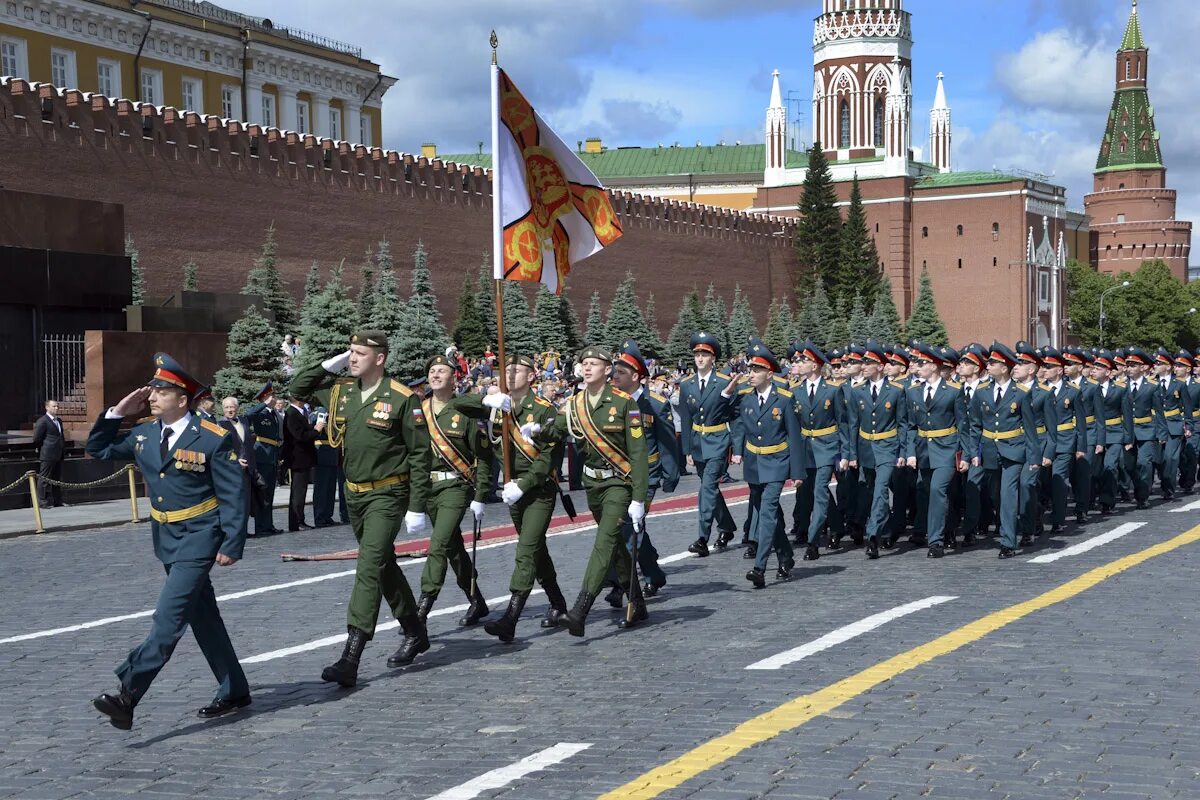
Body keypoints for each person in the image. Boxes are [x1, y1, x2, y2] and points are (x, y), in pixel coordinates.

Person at [85, 353, 249, 729]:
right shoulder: (143, 435)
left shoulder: (211, 437)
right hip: (166, 537)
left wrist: (232, 543)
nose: (153, 396)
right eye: (153, 389)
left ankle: (128, 694)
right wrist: (115, 413)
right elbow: (98, 450)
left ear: (183, 398)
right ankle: (234, 688)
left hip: (200, 535)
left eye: (163, 390)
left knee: (168, 617)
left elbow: (233, 493)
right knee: (202, 617)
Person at [289, 331, 433, 687]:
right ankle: (415, 629)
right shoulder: (343, 392)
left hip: (388, 495)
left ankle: (351, 656)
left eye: (359, 353)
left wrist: (416, 506)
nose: (352, 358)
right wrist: (329, 363)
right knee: (383, 565)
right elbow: (298, 389)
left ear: (380, 358)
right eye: (350, 353)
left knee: (368, 566)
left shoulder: (401, 398)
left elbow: (419, 454)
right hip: (354, 494)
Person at [534, 345, 649, 637]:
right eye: (584, 363)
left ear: (607, 370)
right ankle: (636, 601)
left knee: (604, 541)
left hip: (618, 484)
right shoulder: (574, 404)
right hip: (593, 485)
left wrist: (638, 497)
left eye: (594, 363)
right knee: (615, 546)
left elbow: (637, 454)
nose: (587, 367)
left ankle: (580, 610)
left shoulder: (624, 404)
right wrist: (532, 428)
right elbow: (555, 429)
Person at [480, 353, 569, 642]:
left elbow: (549, 457)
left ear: (531, 376)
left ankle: (511, 617)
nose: (509, 374)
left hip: (538, 490)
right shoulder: (499, 407)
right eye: (506, 370)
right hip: (512, 491)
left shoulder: (544, 409)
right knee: (536, 549)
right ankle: (557, 605)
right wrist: (485, 398)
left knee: (526, 548)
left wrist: (525, 483)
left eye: (516, 370)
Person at [411, 353, 505, 628]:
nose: (436, 375)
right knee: (452, 547)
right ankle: (476, 600)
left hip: (455, 484)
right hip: (427, 488)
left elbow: (484, 456)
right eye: (432, 371)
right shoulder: (419, 410)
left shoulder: (466, 410)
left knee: (438, 545)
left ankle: (420, 613)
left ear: (454, 378)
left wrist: (479, 496)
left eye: (442, 371)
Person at [602, 340, 680, 606]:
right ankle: (654, 573)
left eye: (620, 373)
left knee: (624, 530)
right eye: (614, 371)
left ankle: (619, 583)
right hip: (619, 475)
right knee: (634, 527)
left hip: (647, 475)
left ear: (636, 376)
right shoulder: (611, 402)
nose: (614, 376)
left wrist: (671, 475)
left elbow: (668, 442)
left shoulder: (655, 404)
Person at [721, 338, 804, 587]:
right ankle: (786, 556)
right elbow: (719, 413)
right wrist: (727, 391)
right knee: (770, 515)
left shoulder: (784, 400)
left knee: (767, 513)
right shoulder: (745, 398)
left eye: (757, 370)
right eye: (750, 369)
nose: (752, 374)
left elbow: (794, 438)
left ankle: (759, 567)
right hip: (754, 464)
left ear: (770, 373)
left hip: (777, 462)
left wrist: (797, 471)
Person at [967, 342, 1041, 558]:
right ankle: (1002, 527)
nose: (988, 365)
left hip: (1014, 451)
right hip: (989, 450)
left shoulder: (1021, 394)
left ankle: (1008, 542)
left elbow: (1029, 429)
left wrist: (1034, 456)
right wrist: (974, 453)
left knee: (1008, 495)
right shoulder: (981, 393)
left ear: (1004, 367)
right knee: (995, 494)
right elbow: (975, 425)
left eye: (993, 362)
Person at [903, 342, 966, 559]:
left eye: (922, 363)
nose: (917, 366)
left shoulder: (953, 392)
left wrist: (965, 454)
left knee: (938, 490)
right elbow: (910, 426)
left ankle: (936, 540)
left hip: (947, 448)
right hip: (923, 450)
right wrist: (910, 452)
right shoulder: (913, 393)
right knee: (933, 493)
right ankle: (948, 530)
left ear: (934, 366)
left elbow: (962, 425)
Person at [678, 332, 738, 557]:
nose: (700, 358)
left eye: (705, 354)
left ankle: (702, 537)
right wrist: (686, 451)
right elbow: (685, 420)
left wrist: (737, 447)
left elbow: (735, 416)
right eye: (697, 354)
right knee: (710, 488)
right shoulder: (687, 385)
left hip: (718, 441)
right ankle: (727, 527)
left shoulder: (724, 382)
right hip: (697, 443)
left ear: (713, 358)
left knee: (707, 488)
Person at [789, 340, 851, 558]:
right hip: (806, 447)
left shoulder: (834, 390)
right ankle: (836, 526)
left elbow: (843, 423)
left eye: (803, 360)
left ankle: (813, 542)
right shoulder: (795, 390)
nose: (799, 363)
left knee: (820, 491)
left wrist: (845, 453)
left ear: (814, 365)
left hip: (827, 446)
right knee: (815, 490)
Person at [848, 341, 908, 559]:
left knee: (881, 490)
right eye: (863, 362)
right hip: (865, 448)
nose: (864, 365)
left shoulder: (896, 391)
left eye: (869, 362)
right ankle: (883, 525)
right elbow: (853, 425)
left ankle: (873, 535)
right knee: (871, 490)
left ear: (881, 366)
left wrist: (903, 452)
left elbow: (902, 424)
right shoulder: (857, 392)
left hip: (887, 447)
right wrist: (852, 454)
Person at [1038, 347, 1087, 534]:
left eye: (1050, 366)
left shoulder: (1072, 392)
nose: (1046, 369)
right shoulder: (1040, 390)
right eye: (1044, 366)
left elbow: (1080, 421)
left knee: (1059, 480)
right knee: (1042, 481)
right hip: (1043, 441)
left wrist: (1080, 446)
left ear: (1059, 370)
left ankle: (1058, 519)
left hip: (1064, 441)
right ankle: (1039, 516)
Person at [1123, 348, 1166, 509]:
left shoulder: (1152, 387)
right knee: (1129, 465)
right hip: (1127, 431)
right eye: (1128, 365)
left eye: (1134, 365)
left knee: (1144, 463)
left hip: (1147, 429)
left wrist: (1162, 432)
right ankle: (1137, 487)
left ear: (1142, 368)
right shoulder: (1121, 386)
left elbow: (1159, 411)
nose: (1130, 368)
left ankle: (1143, 495)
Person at [1092, 350, 1127, 515]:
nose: (1094, 370)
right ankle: (1093, 497)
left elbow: (1126, 414)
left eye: (1099, 368)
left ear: (1107, 372)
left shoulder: (1119, 389)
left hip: (1114, 432)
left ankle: (1107, 501)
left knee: (1110, 466)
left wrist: (1128, 437)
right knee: (1095, 469)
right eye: (1094, 368)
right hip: (1095, 432)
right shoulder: (1089, 389)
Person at [1154, 347, 1191, 500]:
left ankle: (1168, 487)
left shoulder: (1179, 384)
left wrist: (1188, 425)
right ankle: (1164, 480)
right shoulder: (1151, 383)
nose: (1155, 365)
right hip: (1156, 424)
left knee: (1170, 457)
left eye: (1159, 363)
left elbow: (1187, 406)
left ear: (1167, 366)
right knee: (1158, 459)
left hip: (1174, 424)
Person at [283, 392, 323, 531]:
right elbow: (300, 436)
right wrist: (316, 430)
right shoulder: (292, 413)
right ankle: (296, 522)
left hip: (304, 458)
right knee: (298, 493)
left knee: (301, 491)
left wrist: (314, 427)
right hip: (298, 459)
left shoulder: (299, 412)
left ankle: (300, 520)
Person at [245, 383, 282, 535]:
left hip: (272, 455)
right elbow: (248, 415)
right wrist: (263, 404)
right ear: (265, 398)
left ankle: (268, 524)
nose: (274, 398)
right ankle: (260, 526)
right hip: (262, 455)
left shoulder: (273, 413)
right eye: (271, 396)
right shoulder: (259, 412)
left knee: (270, 493)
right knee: (262, 492)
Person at [219, 396, 258, 536]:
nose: (230, 410)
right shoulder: (220, 425)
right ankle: (234, 531)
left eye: (232, 407)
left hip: (248, 467)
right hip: (233, 467)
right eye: (227, 408)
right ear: (223, 409)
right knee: (235, 501)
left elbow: (247, 444)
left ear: (237, 408)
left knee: (246, 500)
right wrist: (235, 461)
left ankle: (244, 529)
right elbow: (222, 449)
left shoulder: (243, 421)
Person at [311, 405, 348, 527]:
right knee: (322, 488)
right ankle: (320, 517)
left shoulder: (332, 412)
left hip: (332, 452)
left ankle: (327, 515)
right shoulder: (320, 412)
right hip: (322, 451)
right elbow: (318, 428)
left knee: (330, 488)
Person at [32, 399, 67, 508]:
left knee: (57, 479)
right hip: (47, 454)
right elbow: (37, 438)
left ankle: (58, 501)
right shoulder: (42, 421)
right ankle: (42, 502)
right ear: (47, 407)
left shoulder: (59, 420)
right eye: (54, 406)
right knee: (44, 478)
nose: (56, 408)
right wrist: (41, 449)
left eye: (57, 406)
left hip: (58, 453)